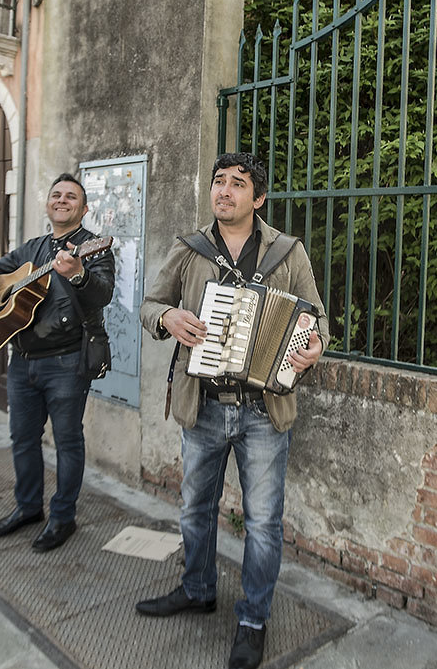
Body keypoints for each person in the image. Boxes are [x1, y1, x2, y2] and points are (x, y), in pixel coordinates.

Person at [135, 153, 328, 669]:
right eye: (219, 181)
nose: (223, 190)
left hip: (264, 412)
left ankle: (253, 620)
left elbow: (317, 318)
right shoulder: (188, 248)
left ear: (257, 198)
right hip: (203, 406)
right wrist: (169, 317)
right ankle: (197, 588)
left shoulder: (288, 251)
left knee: (263, 523)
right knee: (195, 508)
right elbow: (150, 305)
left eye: (237, 184)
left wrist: (314, 346)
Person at [0, 173, 114, 552]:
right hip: (23, 361)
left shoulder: (94, 247)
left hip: (66, 361)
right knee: (22, 438)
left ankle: (63, 517)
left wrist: (78, 274)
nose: (62, 200)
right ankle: (28, 507)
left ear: (84, 209)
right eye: (56, 195)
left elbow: (103, 295)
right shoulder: (31, 248)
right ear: (48, 204)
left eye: (71, 197)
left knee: (67, 442)